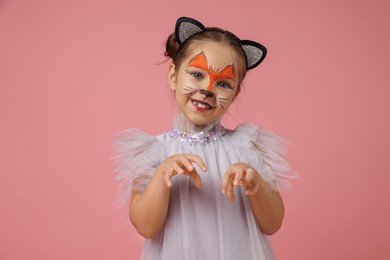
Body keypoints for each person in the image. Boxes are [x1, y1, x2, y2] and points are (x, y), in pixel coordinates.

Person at [112, 17, 297, 260]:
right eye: (197, 75)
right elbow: (146, 227)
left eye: (223, 83)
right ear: (173, 75)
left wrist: (255, 183)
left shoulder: (248, 146)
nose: (208, 90)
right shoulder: (153, 151)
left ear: (235, 92)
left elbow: (272, 224)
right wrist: (162, 175)